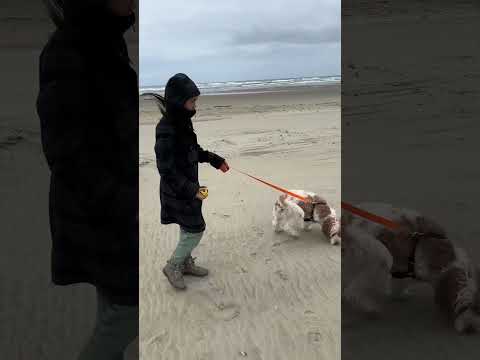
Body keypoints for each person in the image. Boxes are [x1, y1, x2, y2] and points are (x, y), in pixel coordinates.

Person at [37, 1, 138, 359]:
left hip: (114, 210)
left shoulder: (106, 38)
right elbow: (67, 153)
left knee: (114, 311)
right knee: (127, 316)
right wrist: (127, 201)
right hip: (101, 215)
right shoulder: (69, 49)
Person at [154, 73, 230, 290]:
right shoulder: (166, 130)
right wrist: (191, 190)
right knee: (196, 229)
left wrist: (215, 160)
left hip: (190, 188)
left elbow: (193, 151)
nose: (195, 104)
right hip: (178, 191)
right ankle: (173, 265)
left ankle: (185, 262)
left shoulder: (182, 123)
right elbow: (166, 169)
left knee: (188, 227)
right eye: (193, 100)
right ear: (179, 101)